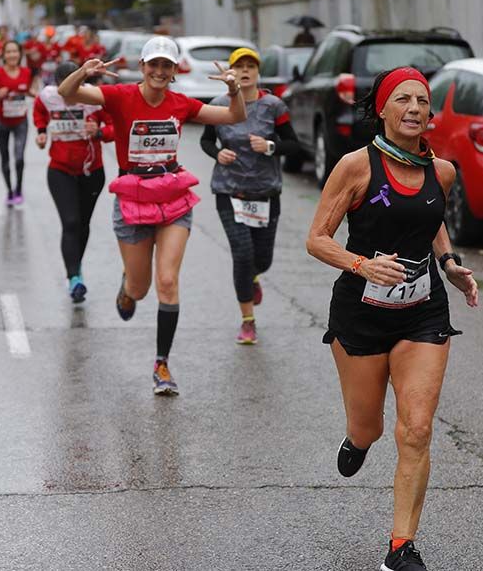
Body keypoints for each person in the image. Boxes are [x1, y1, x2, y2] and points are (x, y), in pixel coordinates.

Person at [306, 67, 479, 571]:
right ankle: (358, 440)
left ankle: (401, 546)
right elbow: (316, 238)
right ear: (381, 110)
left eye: (422, 101)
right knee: (371, 428)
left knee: (417, 427)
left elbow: (431, 218)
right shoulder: (356, 167)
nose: (414, 109)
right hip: (360, 316)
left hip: (422, 313)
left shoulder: (440, 171)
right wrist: (363, 264)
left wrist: (449, 266)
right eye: (402, 99)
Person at [57, 36, 246, 396]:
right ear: (143, 67)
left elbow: (234, 116)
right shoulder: (120, 96)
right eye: (154, 64)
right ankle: (128, 284)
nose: (160, 71)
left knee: (168, 281)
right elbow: (68, 93)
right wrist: (83, 72)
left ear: (175, 71)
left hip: (173, 197)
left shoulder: (181, 103)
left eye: (167, 66)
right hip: (133, 198)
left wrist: (234, 90)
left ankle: (162, 364)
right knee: (140, 290)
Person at [201, 47, 300, 345]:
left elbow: (294, 145)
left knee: (262, 260)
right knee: (242, 255)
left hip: (266, 192)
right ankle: (248, 321)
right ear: (230, 73)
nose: (245, 71)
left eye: (250, 66)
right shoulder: (218, 105)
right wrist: (219, 154)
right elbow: (206, 141)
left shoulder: (273, 106)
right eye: (239, 66)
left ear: (258, 73)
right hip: (229, 191)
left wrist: (270, 147)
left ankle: (253, 277)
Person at [34, 61, 114, 302]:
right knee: (70, 222)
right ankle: (74, 278)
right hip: (60, 170)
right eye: (65, 88)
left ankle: (76, 266)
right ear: (58, 85)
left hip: (92, 171)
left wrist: (99, 132)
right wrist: (41, 131)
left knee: (83, 223)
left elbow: (115, 127)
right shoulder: (48, 97)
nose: (69, 94)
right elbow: (39, 113)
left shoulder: (95, 99)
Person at [0, 40, 34, 206]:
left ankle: (19, 189)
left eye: (15, 52)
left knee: (19, 158)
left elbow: (29, 90)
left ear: (20, 54)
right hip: (2, 122)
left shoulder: (26, 72)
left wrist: (41, 95)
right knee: (5, 158)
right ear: (4, 56)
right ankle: (9, 191)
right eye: (9, 52)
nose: (12, 55)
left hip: (21, 121)